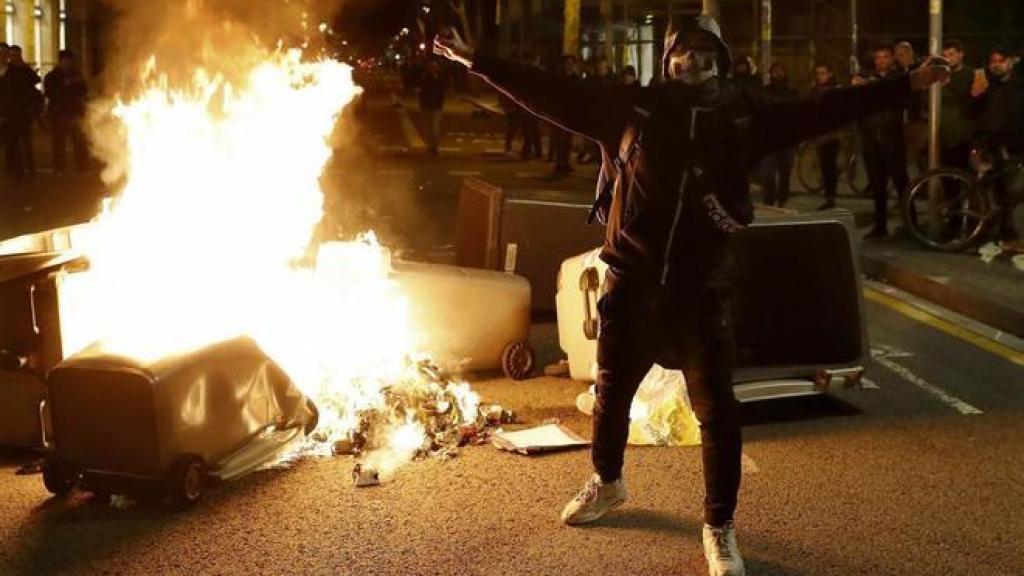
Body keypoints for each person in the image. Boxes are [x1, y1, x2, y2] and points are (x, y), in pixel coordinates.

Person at [435, 17, 946, 576]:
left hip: (699, 288)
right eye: (683, 54)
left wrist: (907, 84)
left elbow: (822, 109)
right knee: (611, 394)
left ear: (721, 62)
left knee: (717, 412)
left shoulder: (744, 118)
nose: (693, 63)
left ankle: (719, 526)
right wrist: (477, 60)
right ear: (668, 60)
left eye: (705, 54)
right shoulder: (635, 109)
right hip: (630, 279)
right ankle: (607, 483)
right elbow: (553, 93)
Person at [854, 42, 911, 240]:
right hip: (871, 140)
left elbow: (904, 101)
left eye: (885, 57)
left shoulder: (898, 78)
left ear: (892, 59)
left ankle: (910, 225)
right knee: (877, 186)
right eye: (877, 57)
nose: (881, 61)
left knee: (901, 183)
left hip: (892, 139)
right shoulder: (866, 78)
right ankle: (880, 226)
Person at [969, 46, 1023, 243]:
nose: (996, 64)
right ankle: (982, 229)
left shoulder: (1019, 86)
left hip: (1012, 146)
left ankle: (1006, 226)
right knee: (983, 189)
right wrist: (975, 95)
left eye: (1001, 60)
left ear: (1009, 63)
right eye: (993, 61)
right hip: (986, 144)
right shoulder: (985, 85)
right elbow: (970, 113)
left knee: (1012, 189)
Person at [755, 62, 798, 207]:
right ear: (771, 73)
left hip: (787, 141)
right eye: (775, 71)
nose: (778, 74)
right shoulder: (764, 91)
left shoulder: (792, 93)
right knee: (768, 175)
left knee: (785, 175)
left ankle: (782, 200)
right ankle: (769, 202)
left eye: (781, 71)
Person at [44, 50, 90, 175]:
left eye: (69, 61)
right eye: (65, 61)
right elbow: (49, 92)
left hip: (75, 112)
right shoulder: (52, 76)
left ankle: (82, 167)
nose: (67, 64)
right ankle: (59, 168)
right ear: (60, 62)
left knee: (79, 141)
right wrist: (64, 86)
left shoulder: (77, 75)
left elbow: (84, 90)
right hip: (58, 113)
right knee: (59, 142)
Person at [3, 45, 42, 182]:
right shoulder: (9, 70)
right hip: (8, 112)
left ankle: (27, 169)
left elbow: (35, 80)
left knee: (24, 142)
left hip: (21, 111)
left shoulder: (18, 70)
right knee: (11, 143)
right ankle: (14, 169)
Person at [810, 62, 842, 210]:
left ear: (829, 74)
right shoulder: (815, 90)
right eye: (818, 73)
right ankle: (828, 196)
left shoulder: (835, 90)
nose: (820, 76)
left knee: (830, 166)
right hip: (820, 135)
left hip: (832, 135)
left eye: (822, 73)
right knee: (824, 166)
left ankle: (831, 198)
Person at [939, 40, 974, 172]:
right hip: (944, 134)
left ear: (961, 55)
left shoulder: (971, 75)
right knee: (946, 173)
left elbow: (969, 101)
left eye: (951, 54)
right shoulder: (941, 76)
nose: (948, 58)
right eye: (945, 55)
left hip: (964, 135)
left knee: (965, 172)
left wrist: (949, 84)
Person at [550, 54, 579, 176]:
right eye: (567, 63)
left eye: (571, 64)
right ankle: (558, 164)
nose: (569, 66)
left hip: (570, 113)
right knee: (558, 140)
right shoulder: (558, 77)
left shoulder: (575, 78)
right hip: (559, 113)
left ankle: (566, 163)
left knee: (567, 140)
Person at [417, 58, 447, 155]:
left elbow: (443, 90)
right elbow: (420, 90)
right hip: (426, 105)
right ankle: (430, 146)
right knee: (427, 128)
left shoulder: (441, 78)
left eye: (434, 67)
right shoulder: (425, 78)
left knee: (435, 127)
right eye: (431, 67)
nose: (433, 68)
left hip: (436, 106)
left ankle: (434, 147)